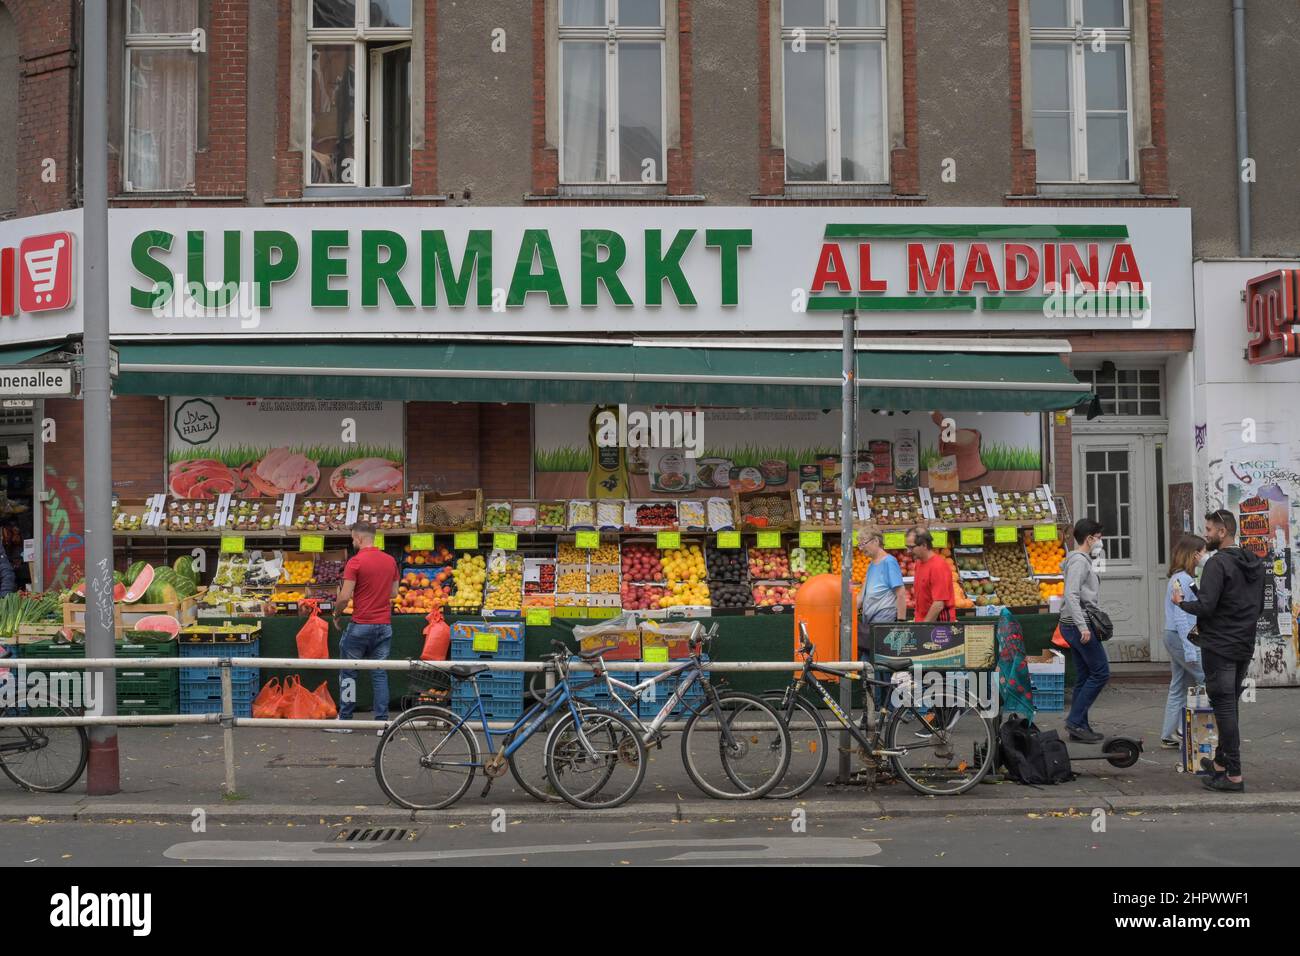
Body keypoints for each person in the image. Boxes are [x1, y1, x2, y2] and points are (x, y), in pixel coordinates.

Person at [1172, 509, 1265, 792]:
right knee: (1229, 705)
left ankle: (1234, 774)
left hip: (1219, 645)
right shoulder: (1254, 562)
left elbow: (1206, 607)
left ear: (1222, 532)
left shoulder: (1216, 564)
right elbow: (1257, 606)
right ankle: (1222, 764)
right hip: (1243, 644)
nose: (1206, 534)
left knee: (1224, 706)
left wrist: (1181, 602)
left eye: (1209, 529)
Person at [328, 523, 399, 734]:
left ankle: (347, 720)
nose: (352, 542)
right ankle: (381, 723)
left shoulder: (355, 562)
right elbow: (394, 593)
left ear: (358, 539)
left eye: (352, 539)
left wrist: (336, 614)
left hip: (361, 625)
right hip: (384, 625)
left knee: (348, 672)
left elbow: (344, 597)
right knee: (379, 673)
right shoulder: (390, 560)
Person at [1058, 518, 1108, 743]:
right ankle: (1075, 720)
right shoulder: (1079, 561)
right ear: (1089, 539)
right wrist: (1082, 626)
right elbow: (1071, 595)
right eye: (1098, 537)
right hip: (1078, 624)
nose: (1101, 541)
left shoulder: (1079, 559)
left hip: (1073, 624)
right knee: (1100, 672)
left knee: (1085, 675)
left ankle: (1080, 726)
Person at [1161, 534, 1206, 748]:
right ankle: (1187, 729)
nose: (1205, 556)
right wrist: (1190, 648)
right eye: (1203, 551)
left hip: (1173, 635)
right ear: (1194, 554)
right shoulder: (1185, 580)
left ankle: (1170, 733)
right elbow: (1182, 616)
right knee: (1204, 678)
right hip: (1182, 636)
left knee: (1178, 684)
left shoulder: (1178, 578)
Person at [857, 531, 907, 627]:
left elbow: (900, 593)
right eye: (859, 545)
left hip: (883, 619)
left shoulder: (889, 562)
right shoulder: (871, 564)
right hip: (869, 619)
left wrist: (901, 623)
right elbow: (861, 596)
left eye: (863, 544)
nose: (861, 548)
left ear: (876, 541)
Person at [906, 528, 954, 623]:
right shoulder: (919, 563)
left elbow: (939, 604)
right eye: (907, 547)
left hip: (938, 624)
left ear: (924, 545)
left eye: (911, 547)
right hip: (923, 621)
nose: (908, 551)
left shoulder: (938, 567)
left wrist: (924, 627)